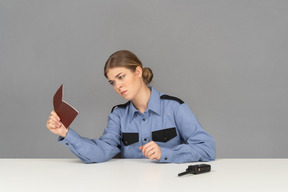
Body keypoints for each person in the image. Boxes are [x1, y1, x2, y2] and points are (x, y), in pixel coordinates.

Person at [46, 50, 216, 163]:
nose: (117, 86)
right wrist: (65, 133)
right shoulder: (118, 116)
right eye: (112, 82)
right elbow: (101, 152)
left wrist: (165, 153)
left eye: (121, 77)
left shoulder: (175, 108)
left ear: (138, 72)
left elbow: (206, 148)